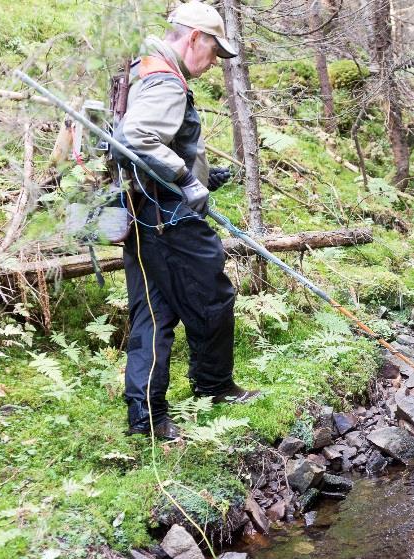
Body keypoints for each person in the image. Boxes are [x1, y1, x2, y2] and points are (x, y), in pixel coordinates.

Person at [114, 1, 260, 440]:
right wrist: (185, 179)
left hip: (141, 210)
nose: (214, 62)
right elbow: (135, 136)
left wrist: (202, 176)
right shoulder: (165, 80)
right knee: (213, 298)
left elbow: (154, 140)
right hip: (168, 216)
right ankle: (214, 386)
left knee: (153, 314)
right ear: (194, 37)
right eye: (215, 51)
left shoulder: (144, 66)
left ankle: (146, 416)